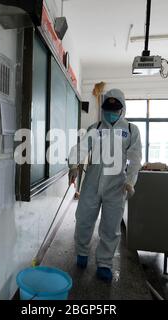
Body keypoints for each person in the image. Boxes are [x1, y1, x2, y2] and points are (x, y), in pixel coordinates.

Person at [68, 89, 142, 282]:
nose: (111, 112)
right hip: (92, 182)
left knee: (110, 226)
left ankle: (104, 264)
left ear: (122, 109)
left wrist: (130, 182)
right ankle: (82, 253)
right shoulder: (96, 127)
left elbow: (135, 158)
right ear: (103, 109)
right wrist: (74, 164)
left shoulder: (131, 130)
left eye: (115, 109)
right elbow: (81, 147)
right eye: (108, 109)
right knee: (83, 219)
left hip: (116, 186)